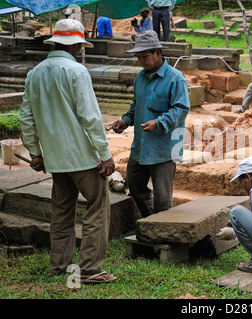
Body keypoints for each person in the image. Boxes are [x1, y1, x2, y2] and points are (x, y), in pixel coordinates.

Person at [19, 19, 116, 284]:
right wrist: (105, 154)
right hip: (83, 157)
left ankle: (59, 266)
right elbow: (91, 118)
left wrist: (35, 153)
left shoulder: (35, 73)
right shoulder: (76, 71)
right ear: (75, 45)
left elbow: (25, 117)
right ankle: (88, 269)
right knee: (97, 207)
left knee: (62, 213)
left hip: (56, 159)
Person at [111, 30, 190, 218]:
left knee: (163, 200)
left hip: (163, 148)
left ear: (157, 53)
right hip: (141, 146)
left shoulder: (175, 78)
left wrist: (159, 122)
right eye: (138, 57)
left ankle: (163, 236)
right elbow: (136, 105)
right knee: (135, 184)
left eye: (144, 56)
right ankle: (152, 222)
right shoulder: (140, 77)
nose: (141, 60)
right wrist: (126, 120)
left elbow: (181, 109)